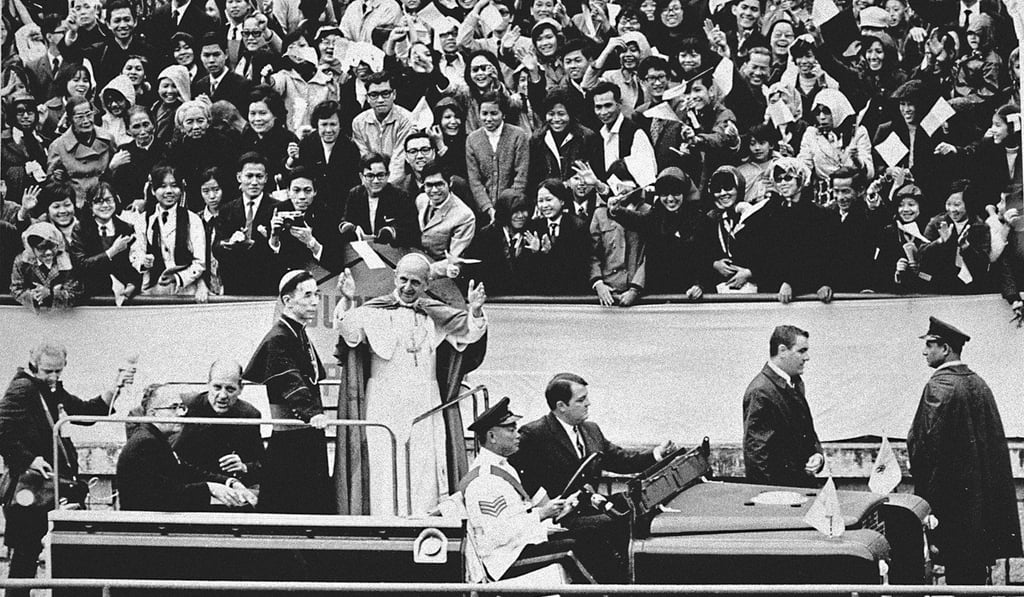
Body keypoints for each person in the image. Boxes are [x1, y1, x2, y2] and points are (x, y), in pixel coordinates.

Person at [334, 254, 487, 515]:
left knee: (424, 463)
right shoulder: (374, 310)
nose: (407, 287)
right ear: (395, 278)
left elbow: (470, 333)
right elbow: (349, 333)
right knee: (383, 460)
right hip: (384, 400)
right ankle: (384, 520)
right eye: (403, 280)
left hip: (424, 402)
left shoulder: (435, 313)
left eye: (415, 282)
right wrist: (347, 300)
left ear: (426, 284)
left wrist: (474, 310)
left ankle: (423, 519)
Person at [510, 372, 675, 581]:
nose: (588, 403)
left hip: (591, 507)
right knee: (612, 525)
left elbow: (620, 459)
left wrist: (656, 454)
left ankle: (632, 576)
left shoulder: (591, 430)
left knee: (637, 513)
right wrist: (547, 508)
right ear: (561, 406)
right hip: (562, 517)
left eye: (586, 397)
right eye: (581, 400)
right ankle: (616, 582)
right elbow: (518, 478)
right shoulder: (534, 435)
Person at [0, 342, 132, 596]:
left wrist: (114, 389)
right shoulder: (23, 388)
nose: (54, 377)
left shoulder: (47, 387)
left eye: (58, 372)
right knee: (27, 558)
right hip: (33, 487)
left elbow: (83, 412)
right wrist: (28, 460)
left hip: (44, 486)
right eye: (48, 371)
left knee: (27, 559)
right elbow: (2, 430)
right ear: (33, 364)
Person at [907, 317, 1022, 584]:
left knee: (958, 576)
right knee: (974, 577)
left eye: (929, 345)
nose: (924, 351)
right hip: (982, 508)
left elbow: (925, 448)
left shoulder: (939, 386)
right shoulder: (978, 383)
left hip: (951, 506)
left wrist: (926, 501)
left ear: (945, 349)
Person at [243, 270, 333, 514]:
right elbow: (290, 381)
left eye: (317, 294)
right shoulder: (279, 338)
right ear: (287, 301)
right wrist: (312, 412)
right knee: (287, 506)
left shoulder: (297, 332)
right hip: (292, 440)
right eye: (307, 295)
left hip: (306, 435)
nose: (315, 301)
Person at [459, 396, 574, 583]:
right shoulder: (485, 480)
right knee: (572, 551)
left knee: (587, 536)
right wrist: (541, 514)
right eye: (511, 430)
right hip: (503, 561)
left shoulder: (503, 466)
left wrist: (551, 514)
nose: (517, 435)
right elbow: (497, 535)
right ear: (492, 437)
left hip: (517, 547)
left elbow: (515, 517)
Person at [117, 383, 257, 511]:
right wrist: (209, 488)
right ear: (153, 414)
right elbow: (165, 495)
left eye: (181, 407)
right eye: (173, 408)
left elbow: (184, 470)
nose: (181, 413)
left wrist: (229, 482)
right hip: (145, 528)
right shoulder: (146, 443)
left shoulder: (154, 437)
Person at [742, 325, 825, 488]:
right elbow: (757, 457)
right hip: (781, 495)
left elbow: (806, 432)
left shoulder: (794, 383)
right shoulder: (761, 392)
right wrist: (771, 502)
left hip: (800, 489)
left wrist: (817, 455)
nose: (807, 357)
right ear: (782, 350)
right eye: (801, 351)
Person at [174, 359, 265, 487]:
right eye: (217, 387)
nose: (222, 395)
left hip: (230, 486)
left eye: (230, 389)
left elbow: (261, 463)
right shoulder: (189, 406)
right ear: (208, 384)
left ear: (241, 389)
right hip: (191, 482)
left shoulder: (249, 415)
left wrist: (244, 467)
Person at [338, 153, 420, 249]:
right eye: (370, 176)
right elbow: (346, 220)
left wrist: (390, 232)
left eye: (380, 175)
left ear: (388, 175)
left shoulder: (400, 196)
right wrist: (348, 227)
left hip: (391, 250)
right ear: (361, 177)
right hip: (363, 250)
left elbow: (408, 228)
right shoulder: (355, 194)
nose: (376, 181)